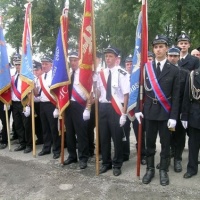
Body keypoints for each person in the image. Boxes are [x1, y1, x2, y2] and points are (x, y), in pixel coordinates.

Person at [135, 35, 180, 186]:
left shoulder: (174, 70)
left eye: (161, 46)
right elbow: (140, 90)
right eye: (155, 47)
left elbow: (176, 96)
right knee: (150, 143)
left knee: (166, 144)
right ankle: (150, 169)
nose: (158, 49)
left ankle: (163, 171)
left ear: (167, 48)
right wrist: (137, 109)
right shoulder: (146, 68)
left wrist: (174, 116)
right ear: (153, 49)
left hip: (166, 113)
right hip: (149, 111)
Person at [94, 46, 129, 176]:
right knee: (104, 137)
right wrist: (94, 84)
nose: (108, 59)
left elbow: (126, 95)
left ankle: (117, 164)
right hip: (103, 107)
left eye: (110, 56)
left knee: (117, 137)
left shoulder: (122, 73)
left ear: (116, 58)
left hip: (116, 108)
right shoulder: (100, 73)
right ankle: (106, 163)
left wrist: (124, 113)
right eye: (106, 56)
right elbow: (98, 93)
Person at [63, 52, 90, 169]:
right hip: (68, 105)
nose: (73, 62)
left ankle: (83, 157)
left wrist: (88, 108)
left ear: (79, 61)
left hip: (79, 105)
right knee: (69, 132)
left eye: (75, 60)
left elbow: (90, 92)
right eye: (71, 60)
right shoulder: (68, 74)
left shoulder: (84, 74)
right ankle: (72, 155)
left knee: (81, 133)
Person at [167, 46, 188, 172]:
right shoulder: (162, 72)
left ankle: (178, 159)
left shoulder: (185, 73)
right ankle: (167, 157)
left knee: (179, 136)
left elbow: (186, 96)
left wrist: (184, 113)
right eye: (171, 56)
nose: (173, 58)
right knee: (167, 135)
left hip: (179, 110)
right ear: (167, 56)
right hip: (166, 109)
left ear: (179, 57)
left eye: (175, 56)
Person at [123, 55, 147, 164]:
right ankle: (125, 154)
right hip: (124, 108)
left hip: (136, 108)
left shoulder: (138, 78)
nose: (129, 66)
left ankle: (142, 154)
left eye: (131, 64)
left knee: (139, 133)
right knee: (124, 132)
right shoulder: (122, 76)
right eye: (127, 64)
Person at [36, 56, 61, 159]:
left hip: (52, 105)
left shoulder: (55, 76)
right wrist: (32, 86)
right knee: (45, 128)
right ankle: (46, 148)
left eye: (46, 64)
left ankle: (56, 150)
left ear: (51, 65)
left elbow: (58, 93)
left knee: (53, 128)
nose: (44, 66)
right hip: (42, 104)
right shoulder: (40, 77)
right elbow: (37, 93)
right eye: (43, 64)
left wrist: (57, 107)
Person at [181, 65, 200, 178]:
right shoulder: (193, 75)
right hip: (196, 113)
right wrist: (184, 115)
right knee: (193, 144)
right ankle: (192, 168)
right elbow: (187, 97)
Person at [11, 55, 32, 153]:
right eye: (16, 64)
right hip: (14, 104)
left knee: (26, 125)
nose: (17, 66)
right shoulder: (13, 77)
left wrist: (28, 105)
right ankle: (22, 143)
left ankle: (29, 144)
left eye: (19, 64)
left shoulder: (26, 78)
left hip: (24, 103)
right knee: (18, 125)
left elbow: (29, 92)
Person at [33, 60, 43, 145]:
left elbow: (38, 94)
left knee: (43, 122)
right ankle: (40, 138)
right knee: (37, 122)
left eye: (37, 70)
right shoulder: (34, 79)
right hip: (35, 104)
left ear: (41, 70)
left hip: (42, 103)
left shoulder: (43, 78)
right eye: (34, 70)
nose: (35, 72)